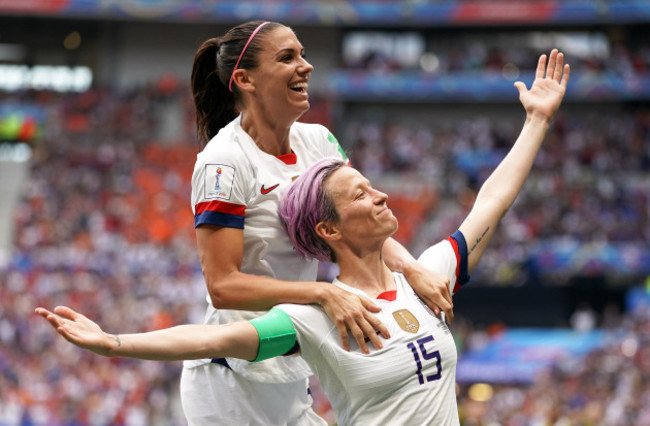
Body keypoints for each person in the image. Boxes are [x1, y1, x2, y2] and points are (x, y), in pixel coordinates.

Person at [36, 48, 569, 426]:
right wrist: (113, 344)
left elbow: (490, 203)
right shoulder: (315, 315)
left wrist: (537, 122)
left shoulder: (426, 277)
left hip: (289, 385)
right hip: (234, 391)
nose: (383, 196)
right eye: (362, 194)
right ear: (327, 229)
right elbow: (215, 335)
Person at [184, 19, 454, 425]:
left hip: (287, 367)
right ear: (244, 79)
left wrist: (411, 268)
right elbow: (223, 286)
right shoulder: (223, 162)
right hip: (230, 381)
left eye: (303, 54)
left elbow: (365, 221)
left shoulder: (320, 141)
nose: (306, 66)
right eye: (287, 57)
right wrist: (321, 294)